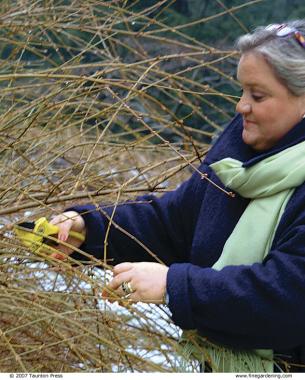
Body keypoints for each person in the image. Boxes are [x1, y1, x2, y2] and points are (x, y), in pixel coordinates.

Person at [50, 20, 305, 371]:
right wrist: (87, 230)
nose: (240, 106)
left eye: (257, 95)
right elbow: (174, 222)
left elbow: (287, 299)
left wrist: (174, 285)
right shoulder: (238, 154)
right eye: (242, 91)